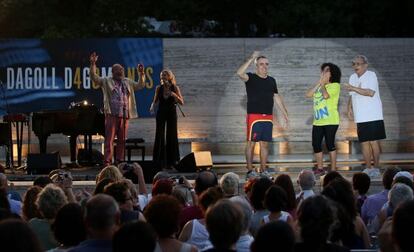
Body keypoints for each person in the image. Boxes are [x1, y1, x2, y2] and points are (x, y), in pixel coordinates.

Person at [236, 51, 289, 177]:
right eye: (261, 64)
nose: (264, 66)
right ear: (256, 66)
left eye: (266, 64)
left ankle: (263, 170)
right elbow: (239, 73)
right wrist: (251, 58)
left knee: (265, 144)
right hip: (254, 116)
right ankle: (250, 171)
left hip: (268, 116)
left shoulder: (271, 80)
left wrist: (285, 114)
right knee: (251, 143)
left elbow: (276, 97)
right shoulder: (251, 78)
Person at [89, 52, 146, 165]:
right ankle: (107, 161)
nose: (120, 72)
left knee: (122, 140)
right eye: (117, 70)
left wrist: (141, 74)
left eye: (121, 70)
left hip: (124, 115)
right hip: (111, 115)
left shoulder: (127, 82)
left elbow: (140, 85)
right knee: (109, 140)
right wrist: (93, 64)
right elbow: (94, 78)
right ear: (113, 72)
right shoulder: (106, 81)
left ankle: (120, 160)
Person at [345, 55, 386, 178]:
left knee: (373, 142)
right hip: (361, 115)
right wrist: (349, 108)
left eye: (358, 63)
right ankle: (368, 168)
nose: (355, 66)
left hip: (373, 114)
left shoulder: (371, 75)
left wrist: (352, 87)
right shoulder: (352, 77)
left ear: (365, 65)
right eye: (354, 64)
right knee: (364, 142)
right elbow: (351, 95)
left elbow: (370, 92)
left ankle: (376, 168)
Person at [305, 63, 341, 173]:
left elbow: (325, 96)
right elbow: (308, 94)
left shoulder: (335, 85)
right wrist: (319, 83)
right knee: (316, 144)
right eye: (322, 71)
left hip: (331, 120)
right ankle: (320, 168)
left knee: (330, 144)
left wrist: (323, 84)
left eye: (326, 71)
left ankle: (334, 169)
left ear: (331, 73)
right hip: (318, 121)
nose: (323, 73)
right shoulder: (320, 85)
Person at [150, 69, 184, 170]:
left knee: (171, 135)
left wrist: (174, 95)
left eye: (165, 75)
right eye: (161, 75)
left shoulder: (175, 88)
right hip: (161, 113)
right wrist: (152, 107)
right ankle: (159, 161)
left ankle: (172, 161)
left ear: (169, 77)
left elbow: (181, 102)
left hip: (171, 113)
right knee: (159, 135)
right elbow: (155, 101)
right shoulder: (158, 88)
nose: (163, 77)